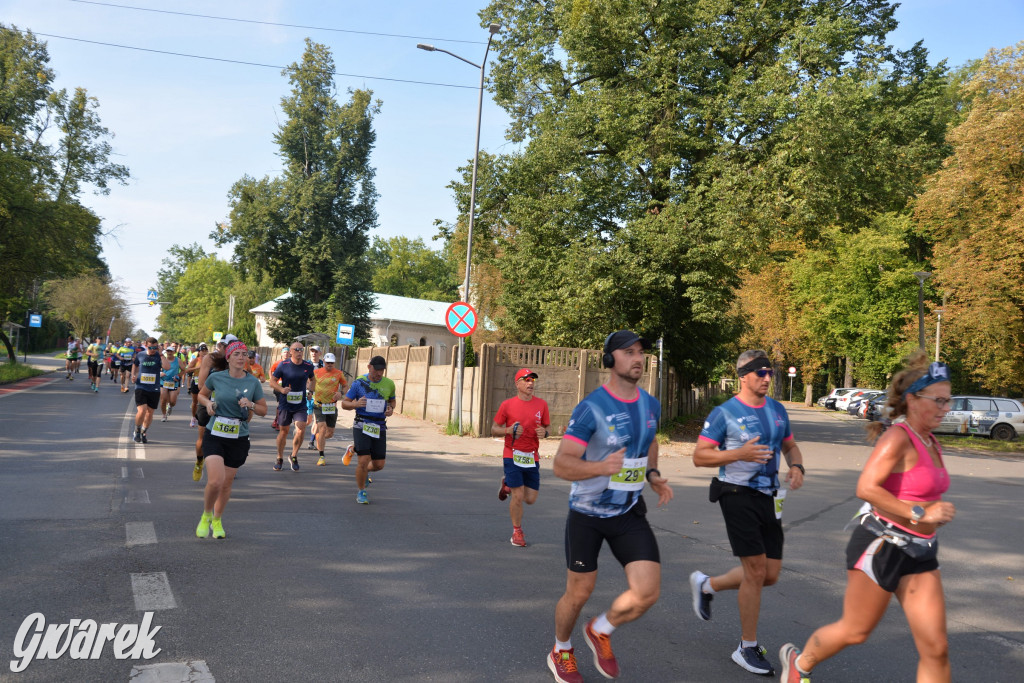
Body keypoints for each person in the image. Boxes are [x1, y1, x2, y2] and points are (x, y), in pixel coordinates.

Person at [779, 354, 954, 683]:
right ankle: (799, 663)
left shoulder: (931, 440)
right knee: (855, 631)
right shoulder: (898, 438)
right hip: (882, 544)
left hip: (920, 550)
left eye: (949, 400)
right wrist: (921, 512)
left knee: (936, 647)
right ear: (913, 400)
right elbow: (866, 488)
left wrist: (930, 516)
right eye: (939, 400)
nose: (946, 408)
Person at [546, 330, 672, 683]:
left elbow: (649, 444)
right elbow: (561, 464)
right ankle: (561, 649)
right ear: (609, 359)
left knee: (647, 592)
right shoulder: (591, 409)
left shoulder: (651, 404)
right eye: (629, 351)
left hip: (629, 511)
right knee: (579, 592)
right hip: (587, 514)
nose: (638, 358)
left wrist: (654, 474)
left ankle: (600, 629)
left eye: (641, 352)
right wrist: (601, 467)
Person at [690, 349, 806, 677]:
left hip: (769, 496)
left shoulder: (777, 410)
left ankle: (706, 585)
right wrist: (738, 453)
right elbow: (700, 456)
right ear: (743, 375)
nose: (767, 378)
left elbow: (790, 445)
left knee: (769, 574)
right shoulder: (724, 413)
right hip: (736, 494)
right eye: (760, 373)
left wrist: (796, 465)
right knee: (754, 571)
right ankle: (747, 646)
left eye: (770, 372)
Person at [195, 339, 268, 539]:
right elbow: (201, 395)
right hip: (215, 433)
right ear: (228, 357)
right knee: (216, 481)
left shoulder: (252, 381)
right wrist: (208, 404)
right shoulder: (217, 377)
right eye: (236, 354)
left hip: (238, 436)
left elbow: (263, 410)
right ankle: (206, 515)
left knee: (226, 484)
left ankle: (217, 520)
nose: (241, 357)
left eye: (244, 354)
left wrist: (251, 404)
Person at [491, 367, 550, 547]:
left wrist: (545, 433)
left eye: (532, 380)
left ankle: (506, 483)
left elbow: (548, 428)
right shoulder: (507, 405)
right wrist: (508, 430)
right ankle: (517, 532)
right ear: (517, 384)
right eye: (526, 379)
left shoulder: (542, 405)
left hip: (532, 456)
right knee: (517, 495)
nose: (530, 383)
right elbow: (494, 428)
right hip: (512, 454)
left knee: (530, 499)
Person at [341, 356, 396, 504]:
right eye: (376, 370)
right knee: (364, 460)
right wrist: (356, 404)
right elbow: (344, 404)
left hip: (379, 426)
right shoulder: (359, 383)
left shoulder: (389, 384)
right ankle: (361, 491)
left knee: (379, 465)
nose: (379, 373)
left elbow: (392, 400)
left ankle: (355, 454)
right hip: (362, 424)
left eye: (381, 370)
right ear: (369, 367)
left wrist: (391, 409)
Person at [268, 342, 316, 471]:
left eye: (301, 349)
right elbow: (272, 381)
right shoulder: (283, 365)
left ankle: (293, 455)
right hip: (285, 403)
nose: (299, 352)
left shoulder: (308, 366)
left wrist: (311, 391)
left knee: (301, 428)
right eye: (296, 349)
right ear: (291, 351)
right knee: (284, 431)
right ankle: (279, 457)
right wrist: (281, 389)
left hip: (300, 404)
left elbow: (313, 380)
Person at [130, 337, 170, 444]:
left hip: (154, 388)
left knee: (150, 413)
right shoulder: (140, 355)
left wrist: (161, 354)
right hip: (141, 387)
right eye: (151, 347)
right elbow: (135, 364)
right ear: (146, 345)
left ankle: (144, 431)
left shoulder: (159, 356)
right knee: (142, 410)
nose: (153, 349)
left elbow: (167, 367)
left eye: (155, 347)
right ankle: (137, 430)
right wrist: (133, 375)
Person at [311, 352, 348, 466]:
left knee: (330, 433)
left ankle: (319, 438)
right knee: (322, 428)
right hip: (319, 405)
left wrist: (340, 393)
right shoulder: (316, 372)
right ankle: (321, 456)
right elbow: (310, 383)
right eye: (327, 363)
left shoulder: (338, 373)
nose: (329, 365)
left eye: (331, 363)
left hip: (331, 406)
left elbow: (346, 386)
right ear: (324, 362)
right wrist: (310, 393)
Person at [185, 343, 208, 428]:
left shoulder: (210, 361)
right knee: (195, 401)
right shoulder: (196, 360)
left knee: (205, 401)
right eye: (202, 351)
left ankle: (204, 418)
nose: (204, 352)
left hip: (206, 383)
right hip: (196, 381)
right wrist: (197, 368)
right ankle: (194, 417)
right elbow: (187, 370)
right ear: (199, 352)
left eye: (206, 351)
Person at [159, 346, 182, 421]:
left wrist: (178, 376)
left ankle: (170, 406)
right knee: (163, 400)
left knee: (173, 401)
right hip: (163, 381)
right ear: (166, 352)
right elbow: (155, 369)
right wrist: (160, 373)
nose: (169, 353)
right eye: (168, 351)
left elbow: (184, 370)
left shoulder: (178, 360)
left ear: (174, 352)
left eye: (171, 351)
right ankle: (164, 415)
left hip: (173, 382)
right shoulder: (162, 360)